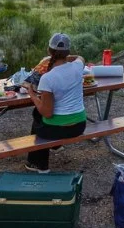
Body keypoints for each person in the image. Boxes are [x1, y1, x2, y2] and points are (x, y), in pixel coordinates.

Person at [24, 33, 86, 173]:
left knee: (38, 117)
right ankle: (55, 146)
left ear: (49, 51)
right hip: (79, 125)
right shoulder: (77, 67)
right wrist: (64, 56)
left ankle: (39, 164)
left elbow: (47, 112)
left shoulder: (48, 78)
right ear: (68, 52)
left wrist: (32, 94)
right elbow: (80, 57)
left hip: (58, 129)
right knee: (40, 115)